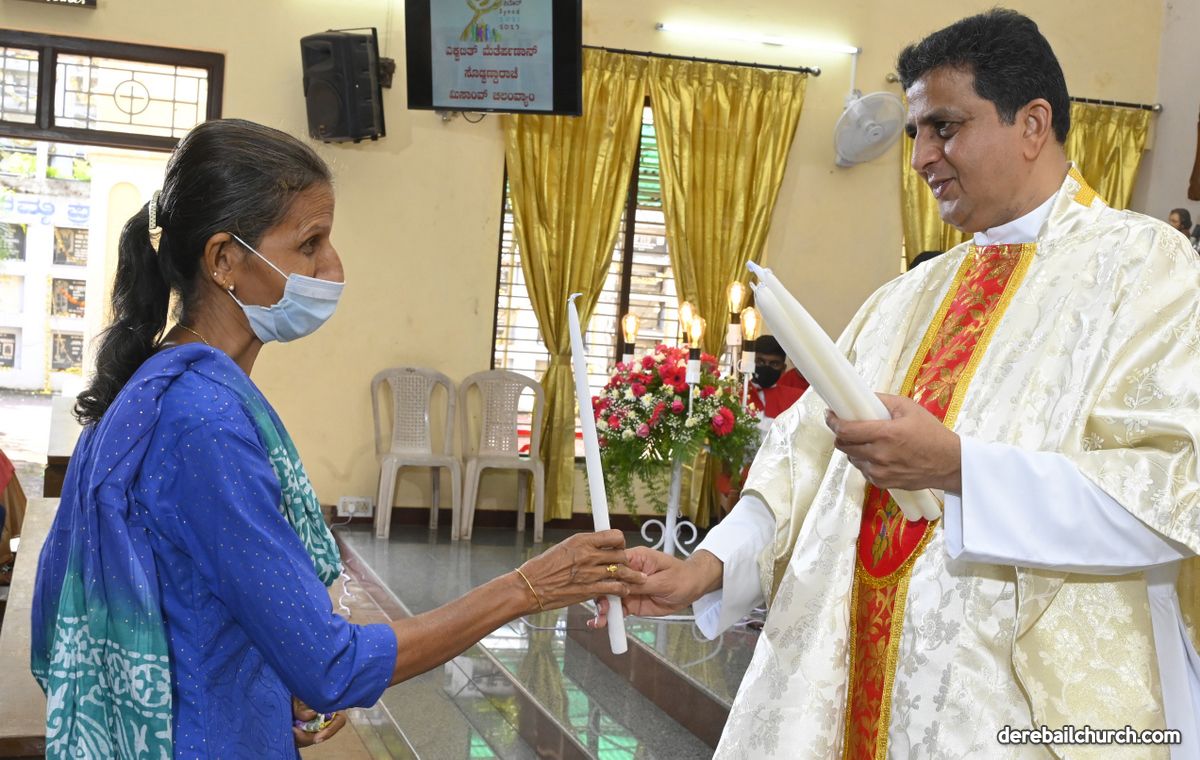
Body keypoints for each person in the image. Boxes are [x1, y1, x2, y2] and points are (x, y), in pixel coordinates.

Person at [596, 9, 1200, 758]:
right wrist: (706, 566)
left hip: (1006, 708)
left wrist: (960, 469)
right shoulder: (906, 297)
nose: (920, 157)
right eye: (916, 132)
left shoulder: (1144, 268)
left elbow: (1173, 492)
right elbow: (798, 462)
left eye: (945, 127)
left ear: (1032, 124)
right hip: (852, 670)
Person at [30, 119, 641, 760]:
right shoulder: (202, 422)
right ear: (224, 260)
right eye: (309, 244)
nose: (333, 267)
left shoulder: (166, 386)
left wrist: (271, 685)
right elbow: (332, 665)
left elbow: (191, 598)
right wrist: (528, 586)